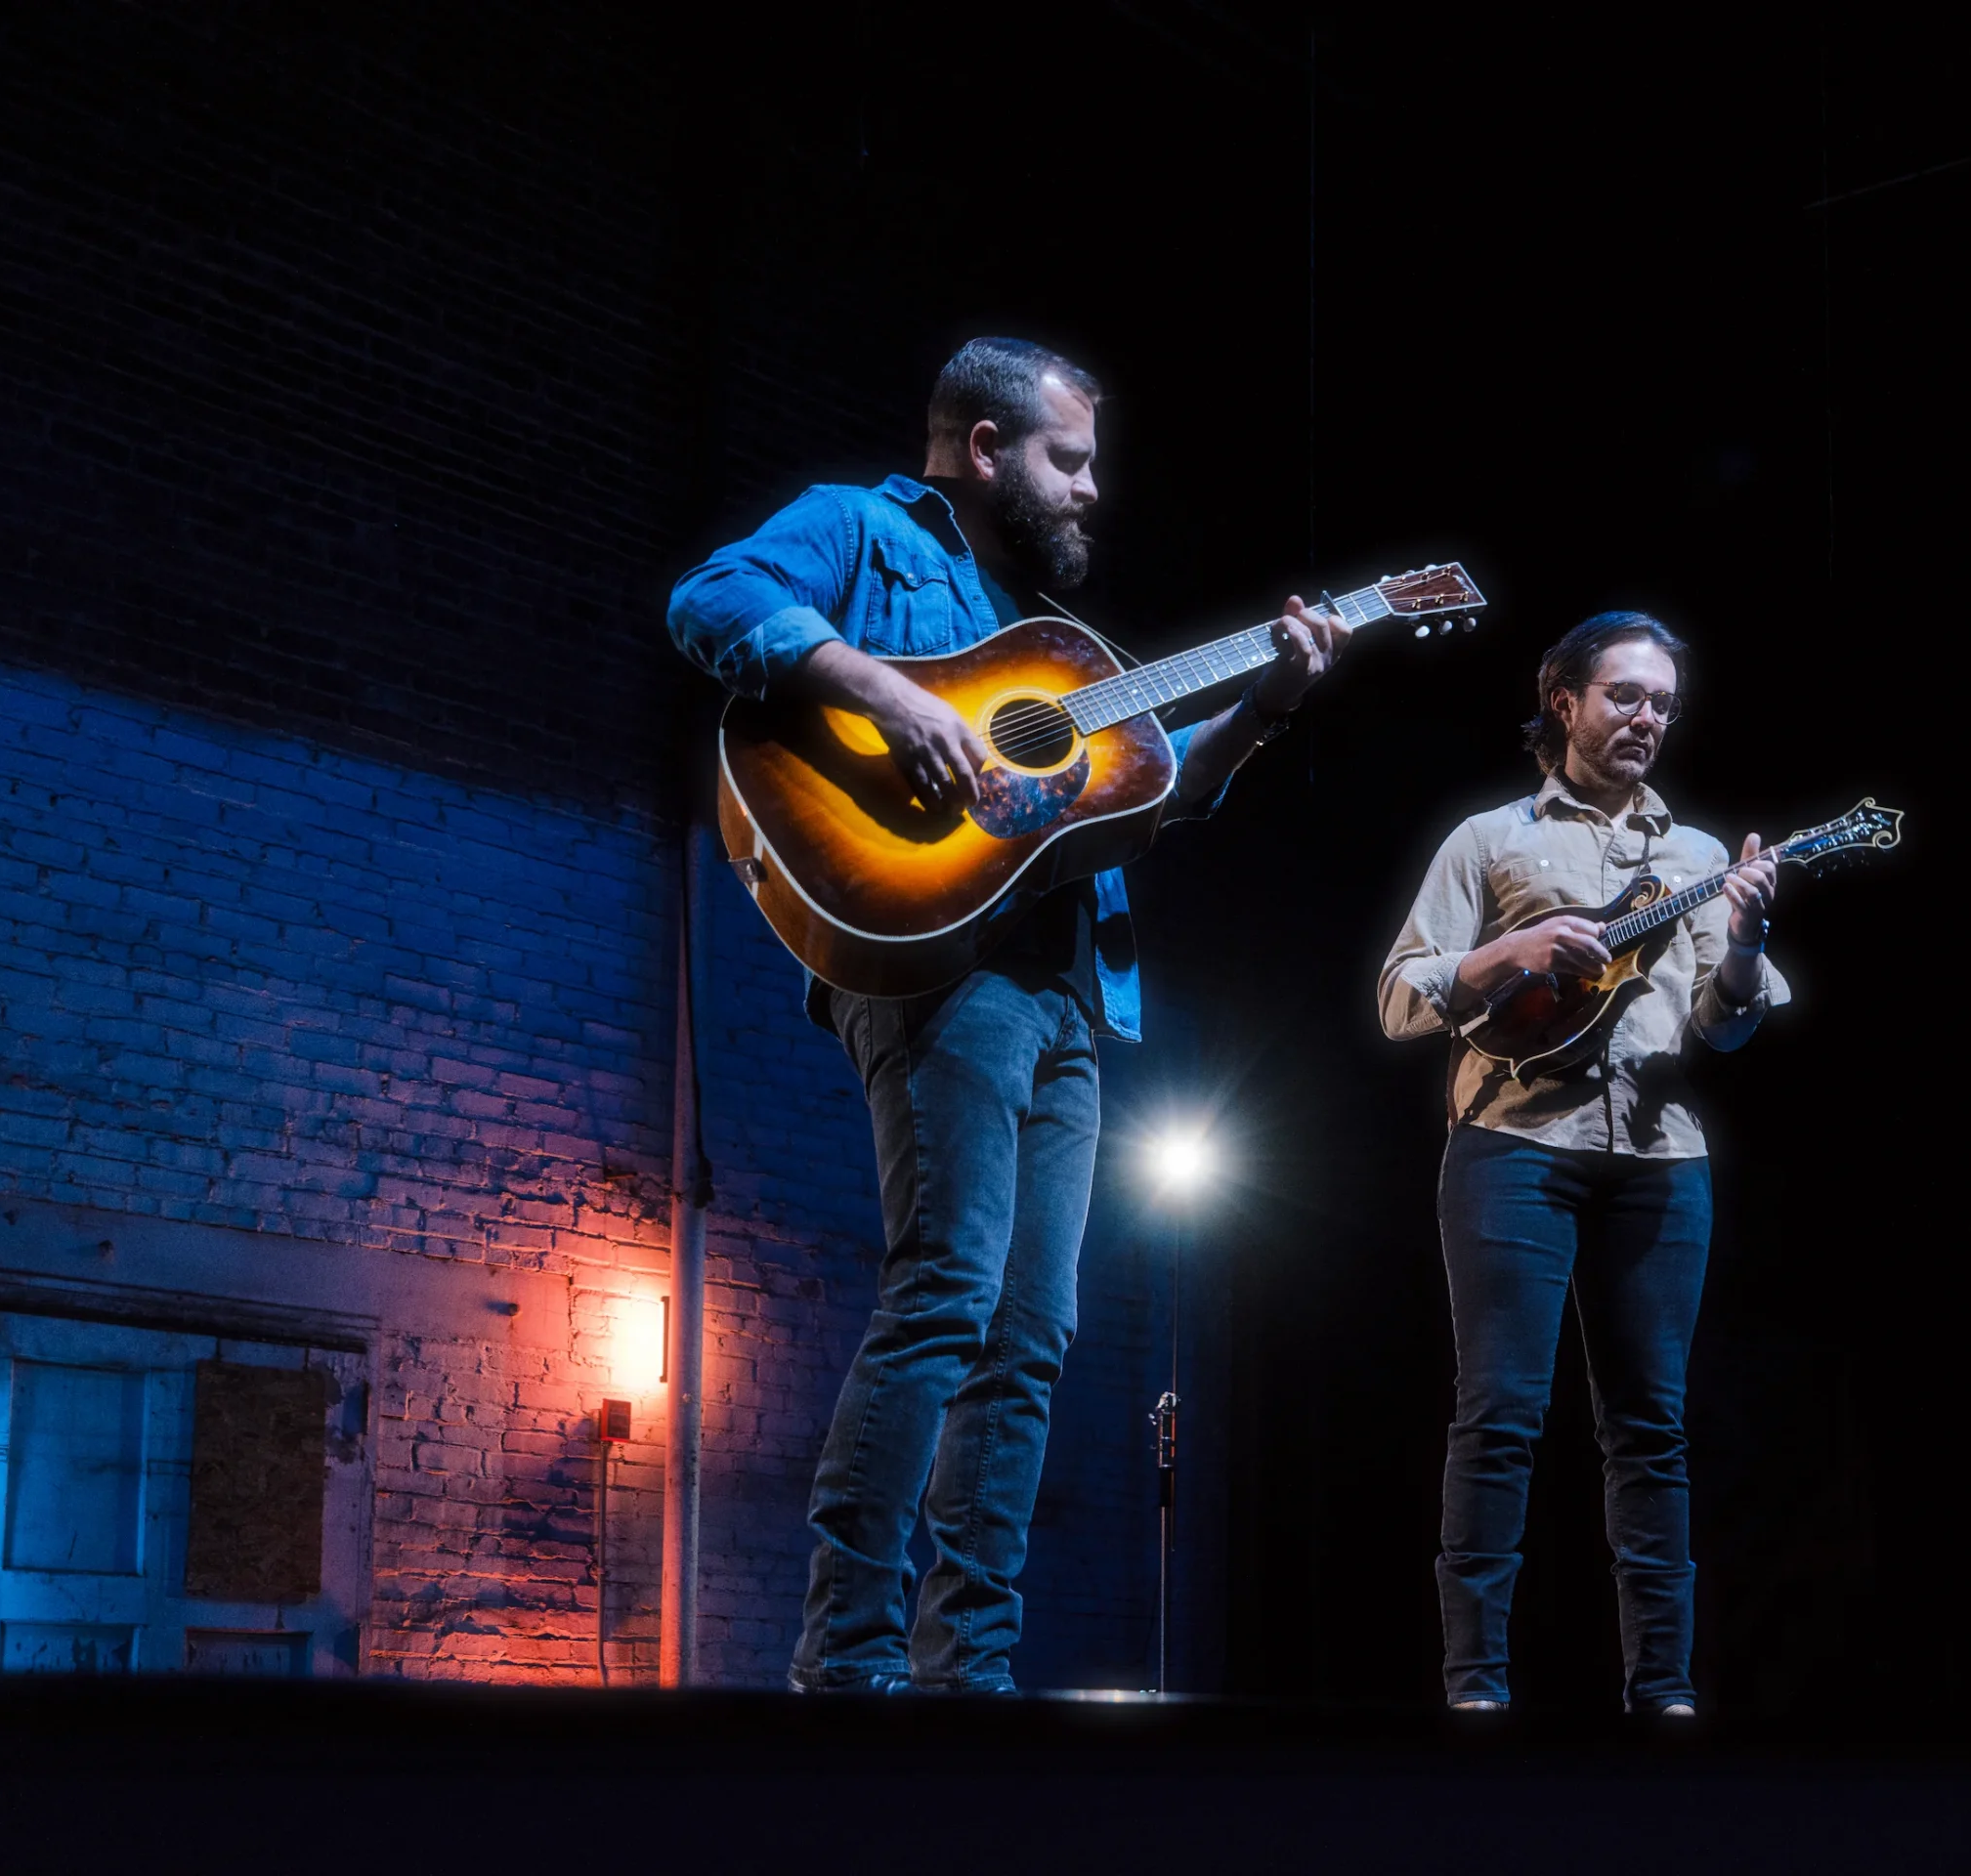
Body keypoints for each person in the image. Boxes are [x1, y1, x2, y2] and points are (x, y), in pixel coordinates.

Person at [667, 337, 1348, 1692]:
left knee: (1033, 1337)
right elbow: (713, 598)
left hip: (1070, 988)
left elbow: (1149, 809)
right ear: (985, 446)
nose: (1093, 489)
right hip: (937, 970)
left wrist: (1266, 705)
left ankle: (967, 1671)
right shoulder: (865, 531)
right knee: (948, 1295)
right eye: (1070, 457)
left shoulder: (1051, 648)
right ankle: (847, 1661)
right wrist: (882, 688)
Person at [1377, 610, 1785, 1717]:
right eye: (1625, 695)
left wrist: (1744, 939)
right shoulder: (1490, 838)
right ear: (1564, 702)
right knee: (1500, 1413)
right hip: (1511, 1144)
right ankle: (1476, 1692)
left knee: (1650, 1427)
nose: (1647, 717)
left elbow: (1729, 1026)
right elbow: (1399, 998)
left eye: (1662, 702)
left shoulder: (1699, 860)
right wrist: (1506, 951)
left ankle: (1663, 1693)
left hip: (1660, 1160)